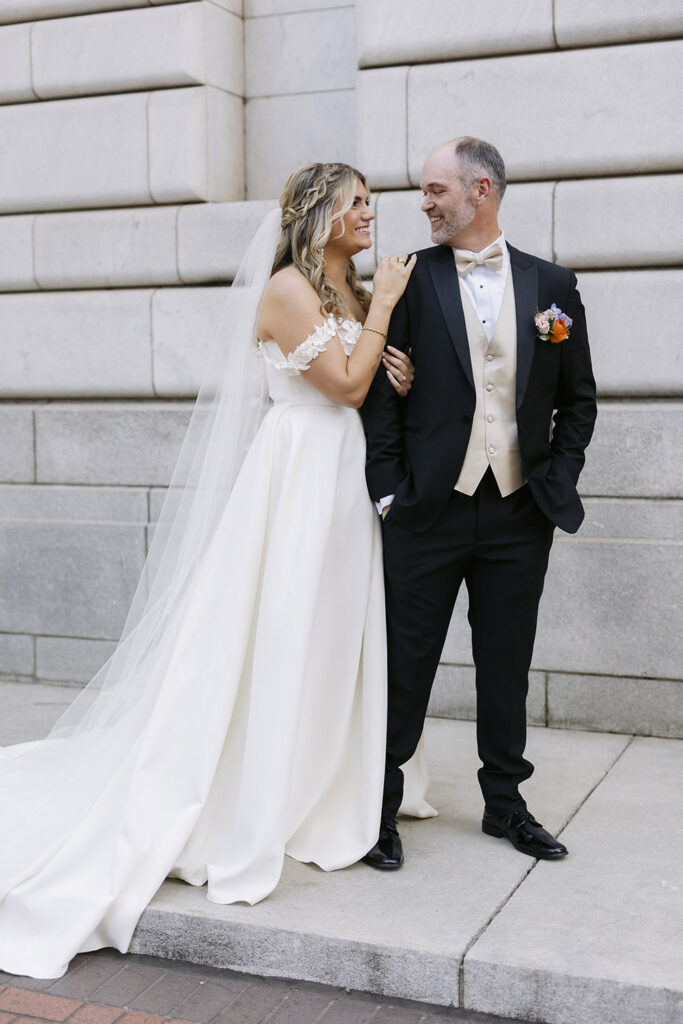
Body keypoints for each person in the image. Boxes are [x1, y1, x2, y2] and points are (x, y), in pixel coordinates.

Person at [0, 162, 423, 979]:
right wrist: (385, 326)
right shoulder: (287, 291)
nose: (371, 213)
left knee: (332, 635)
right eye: (357, 202)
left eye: (372, 202)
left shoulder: (351, 293)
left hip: (346, 485)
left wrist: (389, 358)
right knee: (280, 628)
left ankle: (321, 782)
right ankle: (252, 789)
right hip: (296, 479)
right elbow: (339, 386)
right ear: (319, 212)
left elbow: (369, 382)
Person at [360, 137, 597, 870]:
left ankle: (506, 805)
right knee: (407, 663)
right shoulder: (405, 280)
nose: (423, 204)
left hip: (518, 514)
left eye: (435, 190)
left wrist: (552, 481)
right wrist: (389, 492)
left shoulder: (551, 284)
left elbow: (577, 401)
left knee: (505, 663)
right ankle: (378, 808)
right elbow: (378, 398)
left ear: (480, 190)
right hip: (425, 511)